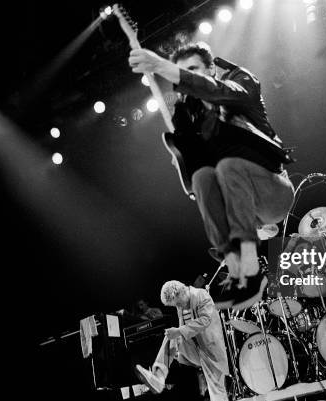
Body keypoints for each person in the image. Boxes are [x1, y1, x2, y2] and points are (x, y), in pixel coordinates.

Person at [128, 42, 295, 309]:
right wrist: (181, 146)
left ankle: (249, 263)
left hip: (272, 193)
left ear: (211, 70)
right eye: (183, 74)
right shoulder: (188, 112)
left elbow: (219, 92)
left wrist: (161, 66)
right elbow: (193, 169)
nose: (187, 79)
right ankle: (238, 268)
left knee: (228, 165)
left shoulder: (241, 81)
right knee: (202, 177)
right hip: (237, 205)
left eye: (193, 70)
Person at [135, 280, 229, 401]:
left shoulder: (201, 295)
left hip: (211, 351)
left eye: (178, 303)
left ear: (182, 292)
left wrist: (179, 331)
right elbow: (183, 331)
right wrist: (177, 342)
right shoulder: (181, 306)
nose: (178, 307)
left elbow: (205, 320)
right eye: (176, 305)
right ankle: (158, 377)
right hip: (195, 350)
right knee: (171, 336)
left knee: (217, 392)